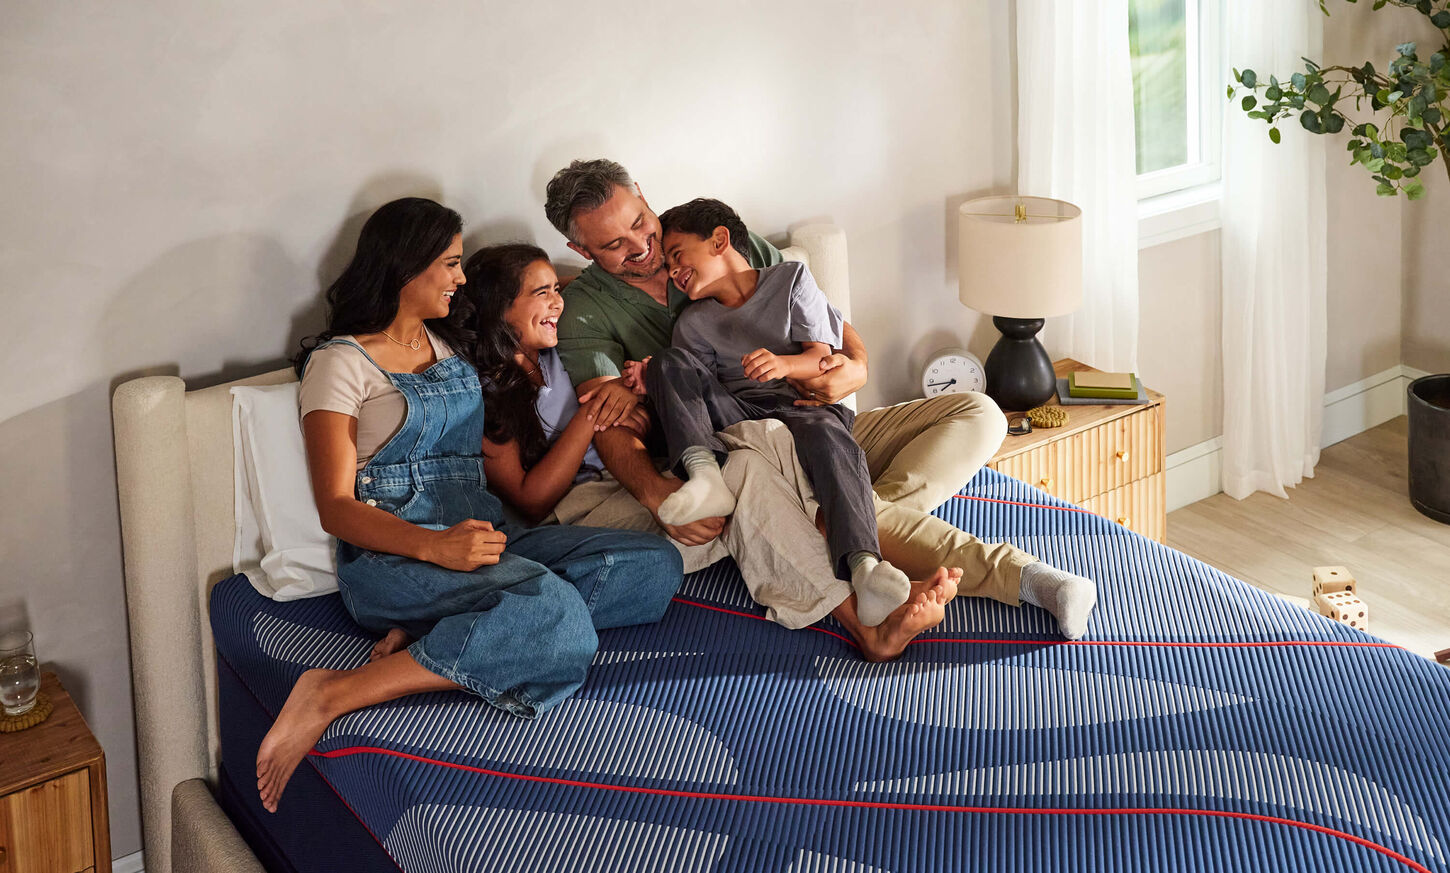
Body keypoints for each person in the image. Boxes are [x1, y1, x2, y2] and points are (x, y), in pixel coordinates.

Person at [543, 159, 1098, 640]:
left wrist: (853, 367)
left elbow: (829, 325)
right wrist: (655, 492)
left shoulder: (721, 240)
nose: (642, 247)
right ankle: (1022, 576)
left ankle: (843, 510)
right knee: (834, 487)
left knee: (977, 412)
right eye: (613, 245)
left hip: (817, 417)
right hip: (749, 441)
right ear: (578, 249)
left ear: (643, 194)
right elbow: (608, 422)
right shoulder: (585, 310)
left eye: (641, 222)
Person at [255, 198, 683, 814]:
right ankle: (331, 693)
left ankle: (442, 631)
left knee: (653, 564)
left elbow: (533, 298)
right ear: (408, 267)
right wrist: (434, 546)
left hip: (484, 537)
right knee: (556, 617)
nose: (460, 277)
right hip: (395, 556)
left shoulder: (450, 341)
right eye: (451, 263)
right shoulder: (340, 364)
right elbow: (335, 507)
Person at [461, 242, 954, 660]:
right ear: (497, 306)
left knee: (745, 463)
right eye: (540, 293)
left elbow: (576, 292)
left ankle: (865, 581)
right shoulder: (485, 390)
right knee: (753, 466)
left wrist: (629, 392)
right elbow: (529, 501)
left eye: (556, 289)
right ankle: (865, 614)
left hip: (637, 478)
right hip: (584, 510)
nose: (558, 302)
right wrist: (594, 418)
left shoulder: (558, 347)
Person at [635, 198, 917, 626]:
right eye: (669, 266)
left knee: (831, 437)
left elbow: (822, 357)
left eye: (677, 256)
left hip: (801, 405)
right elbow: (695, 392)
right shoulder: (692, 323)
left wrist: (784, 365)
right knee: (666, 362)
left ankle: (865, 569)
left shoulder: (790, 279)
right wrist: (655, 380)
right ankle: (705, 475)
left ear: (719, 240)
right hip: (739, 414)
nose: (673, 272)